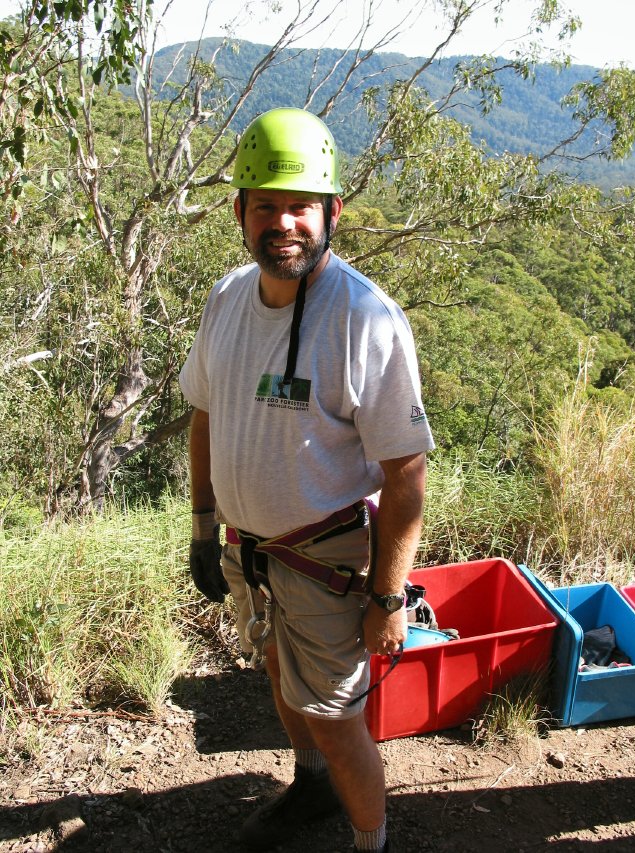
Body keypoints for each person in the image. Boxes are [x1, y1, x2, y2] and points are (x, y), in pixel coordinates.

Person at [179, 107, 435, 853]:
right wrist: (204, 527)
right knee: (278, 675)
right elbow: (204, 415)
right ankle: (310, 783)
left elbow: (406, 471)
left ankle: (370, 840)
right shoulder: (228, 299)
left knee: (332, 710)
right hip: (248, 550)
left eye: (301, 207)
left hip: (323, 559)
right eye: (266, 206)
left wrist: (388, 596)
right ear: (240, 212)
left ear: (332, 213)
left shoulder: (364, 318)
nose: (284, 223)